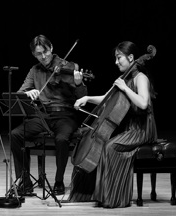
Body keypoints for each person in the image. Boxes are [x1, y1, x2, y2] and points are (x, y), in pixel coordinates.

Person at [69, 40, 158, 208]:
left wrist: (125, 88)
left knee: (110, 147)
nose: (116, 62)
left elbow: (144, 103)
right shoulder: (123, 79)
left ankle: (112, 197)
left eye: (119, 58)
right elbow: (106, 99)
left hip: (142, 129)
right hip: (130, 128)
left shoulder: (141, 78)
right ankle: (88, 194)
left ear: (131, 57)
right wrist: (87, 98)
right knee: (99, 145)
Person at [10, 34, 88, 196]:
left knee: (61, 139)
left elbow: (82, 98)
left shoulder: (68, 66)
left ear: (51, 48)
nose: (43, 57)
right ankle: (24, 181)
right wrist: (28, 93)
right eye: (38, 54)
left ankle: (59, 181)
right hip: (42, 116)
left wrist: (79, 83)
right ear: (34, 54)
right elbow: (19, 93)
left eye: (45, 52)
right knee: (15, 135)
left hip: (65, 115)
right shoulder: (34, 70)